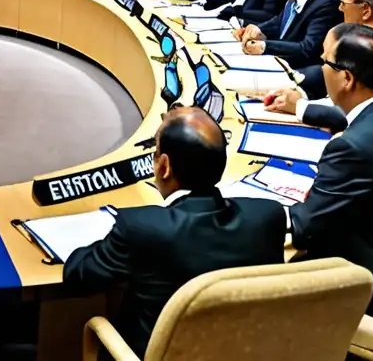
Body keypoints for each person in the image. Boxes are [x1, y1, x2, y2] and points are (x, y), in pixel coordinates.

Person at [63, 107, 286, 358]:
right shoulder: (268, 217)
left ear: (165, 166)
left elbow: (78, 277)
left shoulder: (141, 228)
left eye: (155, 152)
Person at [288, 24, 373, 320]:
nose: (321, 67)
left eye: (325, 61)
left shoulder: (351, 148)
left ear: (346, 78)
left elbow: (304, 227)